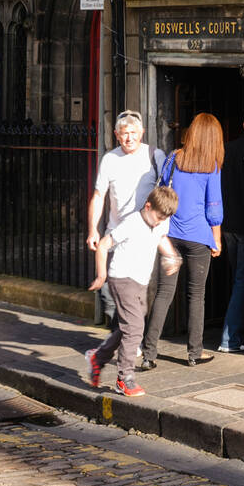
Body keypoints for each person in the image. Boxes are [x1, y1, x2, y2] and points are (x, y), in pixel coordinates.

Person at [139, 113, 224, 369]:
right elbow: (213, 206)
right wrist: (216, 238)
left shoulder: (174, 158)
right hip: (198, 237)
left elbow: (163, 191)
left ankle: (148, 354)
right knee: (196, 295)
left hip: (170, 235)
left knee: (164, 293)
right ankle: (195, 353)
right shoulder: (211, 166)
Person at [85, 185, 180, 397]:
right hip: (122, 278)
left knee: (126, 327)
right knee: (135, 328)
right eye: (158, 217)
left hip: (140, 282)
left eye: (164, 219)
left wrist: (172, 257)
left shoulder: (159, 223)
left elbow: (161, 238)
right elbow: (103, 245)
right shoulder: (132, 223)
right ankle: (124, 378)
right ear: (148, 206)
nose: (160, 222)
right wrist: (101, 275)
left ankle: (99, 358)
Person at [87, 110, 166, 326]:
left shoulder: (155, 156)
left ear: (142, 132)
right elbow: (98, 196)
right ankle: (124, 337)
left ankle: (128, 338)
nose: (129, 138)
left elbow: (166, 194)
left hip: (143, 241)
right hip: (115, 237)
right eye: (124, 133)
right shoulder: (110, 159)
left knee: (137, 300)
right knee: (110, 299)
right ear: (116, 135)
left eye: (133, 132)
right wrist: (93, 229)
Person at [218, 128, 244, 353]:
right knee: (242, 281)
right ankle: (230, 339)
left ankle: (237, 333)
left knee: (238, 280)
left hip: (227, 224)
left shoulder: (226, 150)